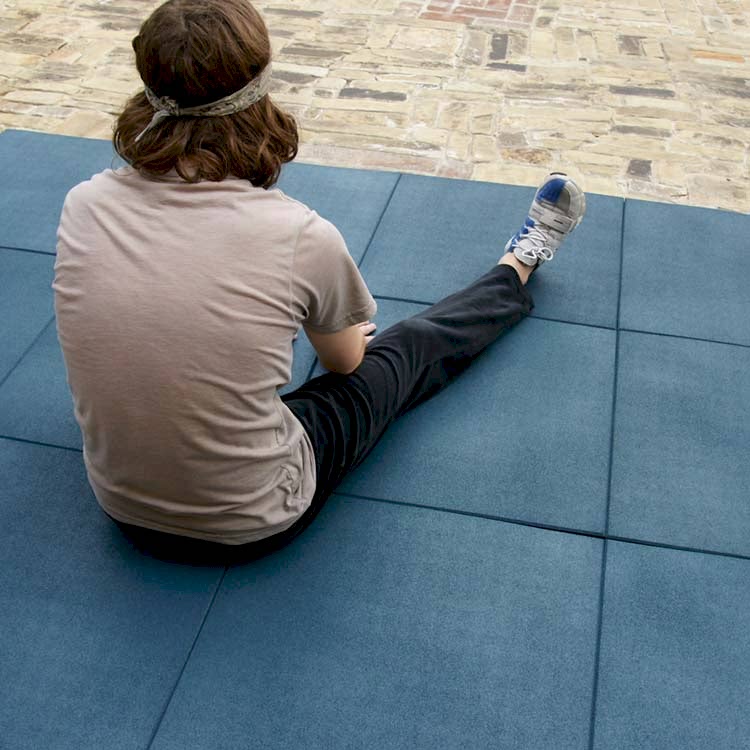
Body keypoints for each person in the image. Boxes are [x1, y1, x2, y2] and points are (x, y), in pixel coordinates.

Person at [53, 0, 586, 565]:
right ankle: (518, 265)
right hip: (253, 520)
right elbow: (343, 362)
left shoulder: (83, 204)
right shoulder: (298, 234)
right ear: (259, 93)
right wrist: (346, 336)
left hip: (121, 506)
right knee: (406, 350)